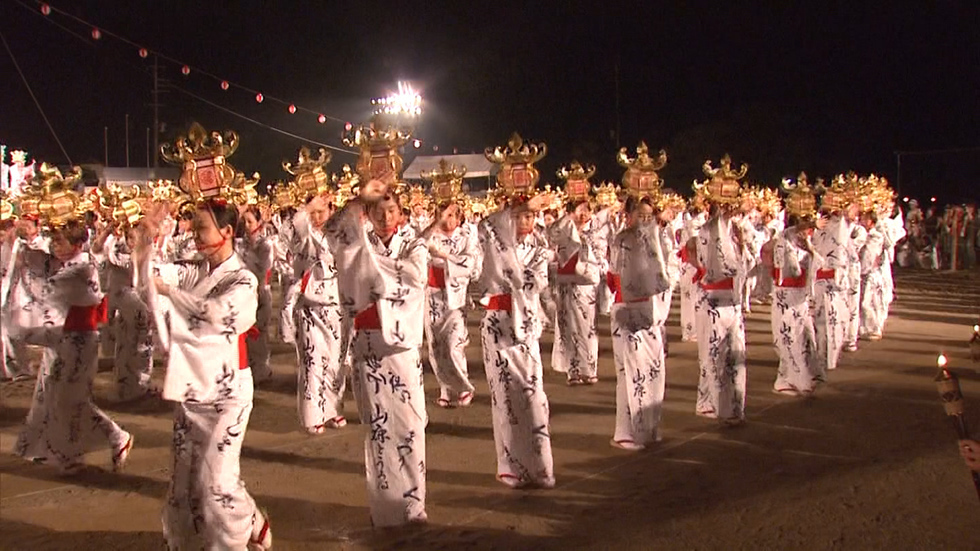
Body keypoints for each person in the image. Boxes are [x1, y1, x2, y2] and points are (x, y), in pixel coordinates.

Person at [6, 169, 133, 475]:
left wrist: (29, 257)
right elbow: (37, 265)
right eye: (55, 240)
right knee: (48, 394)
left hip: (78, 341)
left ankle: (112, 438)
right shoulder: (63, 263)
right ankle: (44, 447)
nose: (56, 246)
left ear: (76, 242)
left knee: (70, 400)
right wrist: (26, 239)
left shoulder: (83, 269)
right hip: (59, 339)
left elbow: (45, 291)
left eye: (61, 241)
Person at [324, 176, 430, 526]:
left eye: (392, 210)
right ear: (367, 214)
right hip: (366, 345)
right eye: (377, 211)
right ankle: (385, 507)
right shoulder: (359, 238)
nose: (385, 218)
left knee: (411, 424)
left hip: (400, 347)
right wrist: (357, 200)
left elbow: (414, 277)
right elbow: (332, 230)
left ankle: (414, 504)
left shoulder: (414, 245)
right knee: (378, 427)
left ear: (401, 213)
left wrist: (367, 264)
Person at [607, 192, 671, 450]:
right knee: (630, 374)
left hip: (652, 315)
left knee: (652, 374)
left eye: (649, 216)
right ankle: (626, 432)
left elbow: (665, 278)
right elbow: (618, 277)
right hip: (630, 313)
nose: (645, 221)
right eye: (640, 216)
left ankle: (647, 428)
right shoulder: (623, 240)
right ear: (629, 216)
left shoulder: (657, 240)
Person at [693, 155, 749, 426]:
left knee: (733, 356)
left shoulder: (734, 230)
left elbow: (745, 265)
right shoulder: (707, 230)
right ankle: (719, 407)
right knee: (713, 356)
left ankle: (718, 404)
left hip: (732, 301)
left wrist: (741, 242)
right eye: (725, 205)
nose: (730, 210)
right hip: (714, 299)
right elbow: (717, 266)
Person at [420, 180, 480, 408]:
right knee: (437, 346)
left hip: (455, 297)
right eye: (444, 214)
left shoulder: (467, 237)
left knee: (454, 344)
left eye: (453, 214)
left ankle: (463, 386)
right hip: (432, 296)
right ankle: (445, 387)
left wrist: (444, 257)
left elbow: (470, 265)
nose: (449, 219)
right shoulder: (429, 235)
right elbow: (416, 250)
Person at [549, 169, 603, 386]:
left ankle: (589, 369)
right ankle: (573, 371)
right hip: (564, 287)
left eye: (585, 211)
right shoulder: (562, 231)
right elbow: (550, 235)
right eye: (578, 211)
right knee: (567, 328)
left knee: (587, 328)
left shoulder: (594, 234)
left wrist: (581, 269)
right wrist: (567, 218)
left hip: (584, 287)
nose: (583, 215)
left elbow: (600, 264)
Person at [237, 205, 274, 384]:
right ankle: (251, 368)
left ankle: (262, 369)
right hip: (244, 293)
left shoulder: (265, 244)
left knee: (259, 333)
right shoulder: (240, 243)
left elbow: (263, 269)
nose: (246, 225)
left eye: (250, 221)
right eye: (244, 221)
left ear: (259, 222)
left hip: (260, 292)